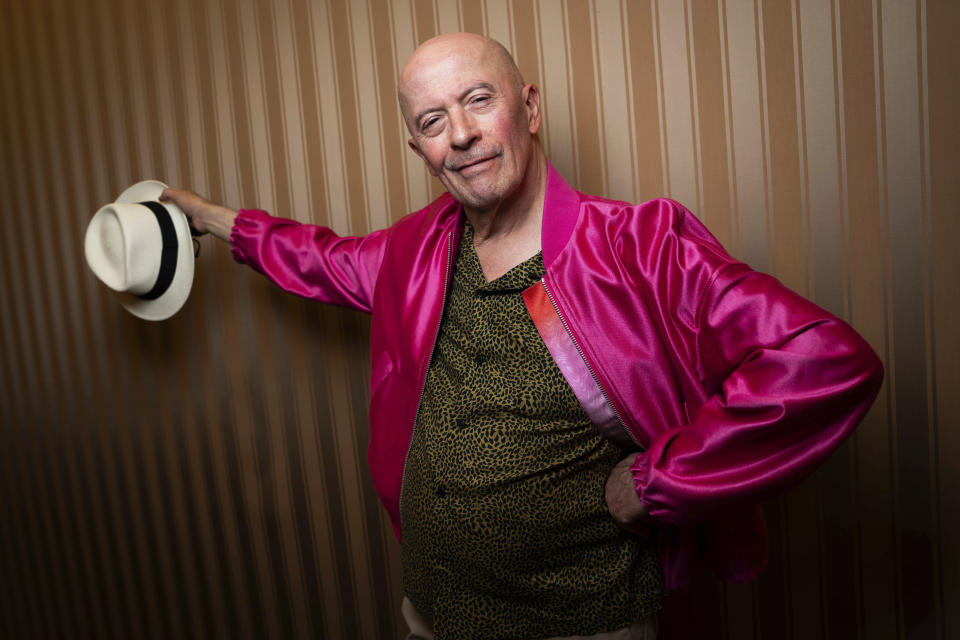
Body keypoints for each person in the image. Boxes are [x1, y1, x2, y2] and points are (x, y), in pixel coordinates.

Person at [161, 32, 882, 640]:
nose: (463, 134)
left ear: (528, 107)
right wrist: (208, 215)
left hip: (579, 626)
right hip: (432, 616)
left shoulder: (638, 245)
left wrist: (659, 483)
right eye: (435, 120)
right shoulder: (415, 251)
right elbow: (320, 259)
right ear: (419, 148)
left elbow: (823, 362)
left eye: (479, 99)